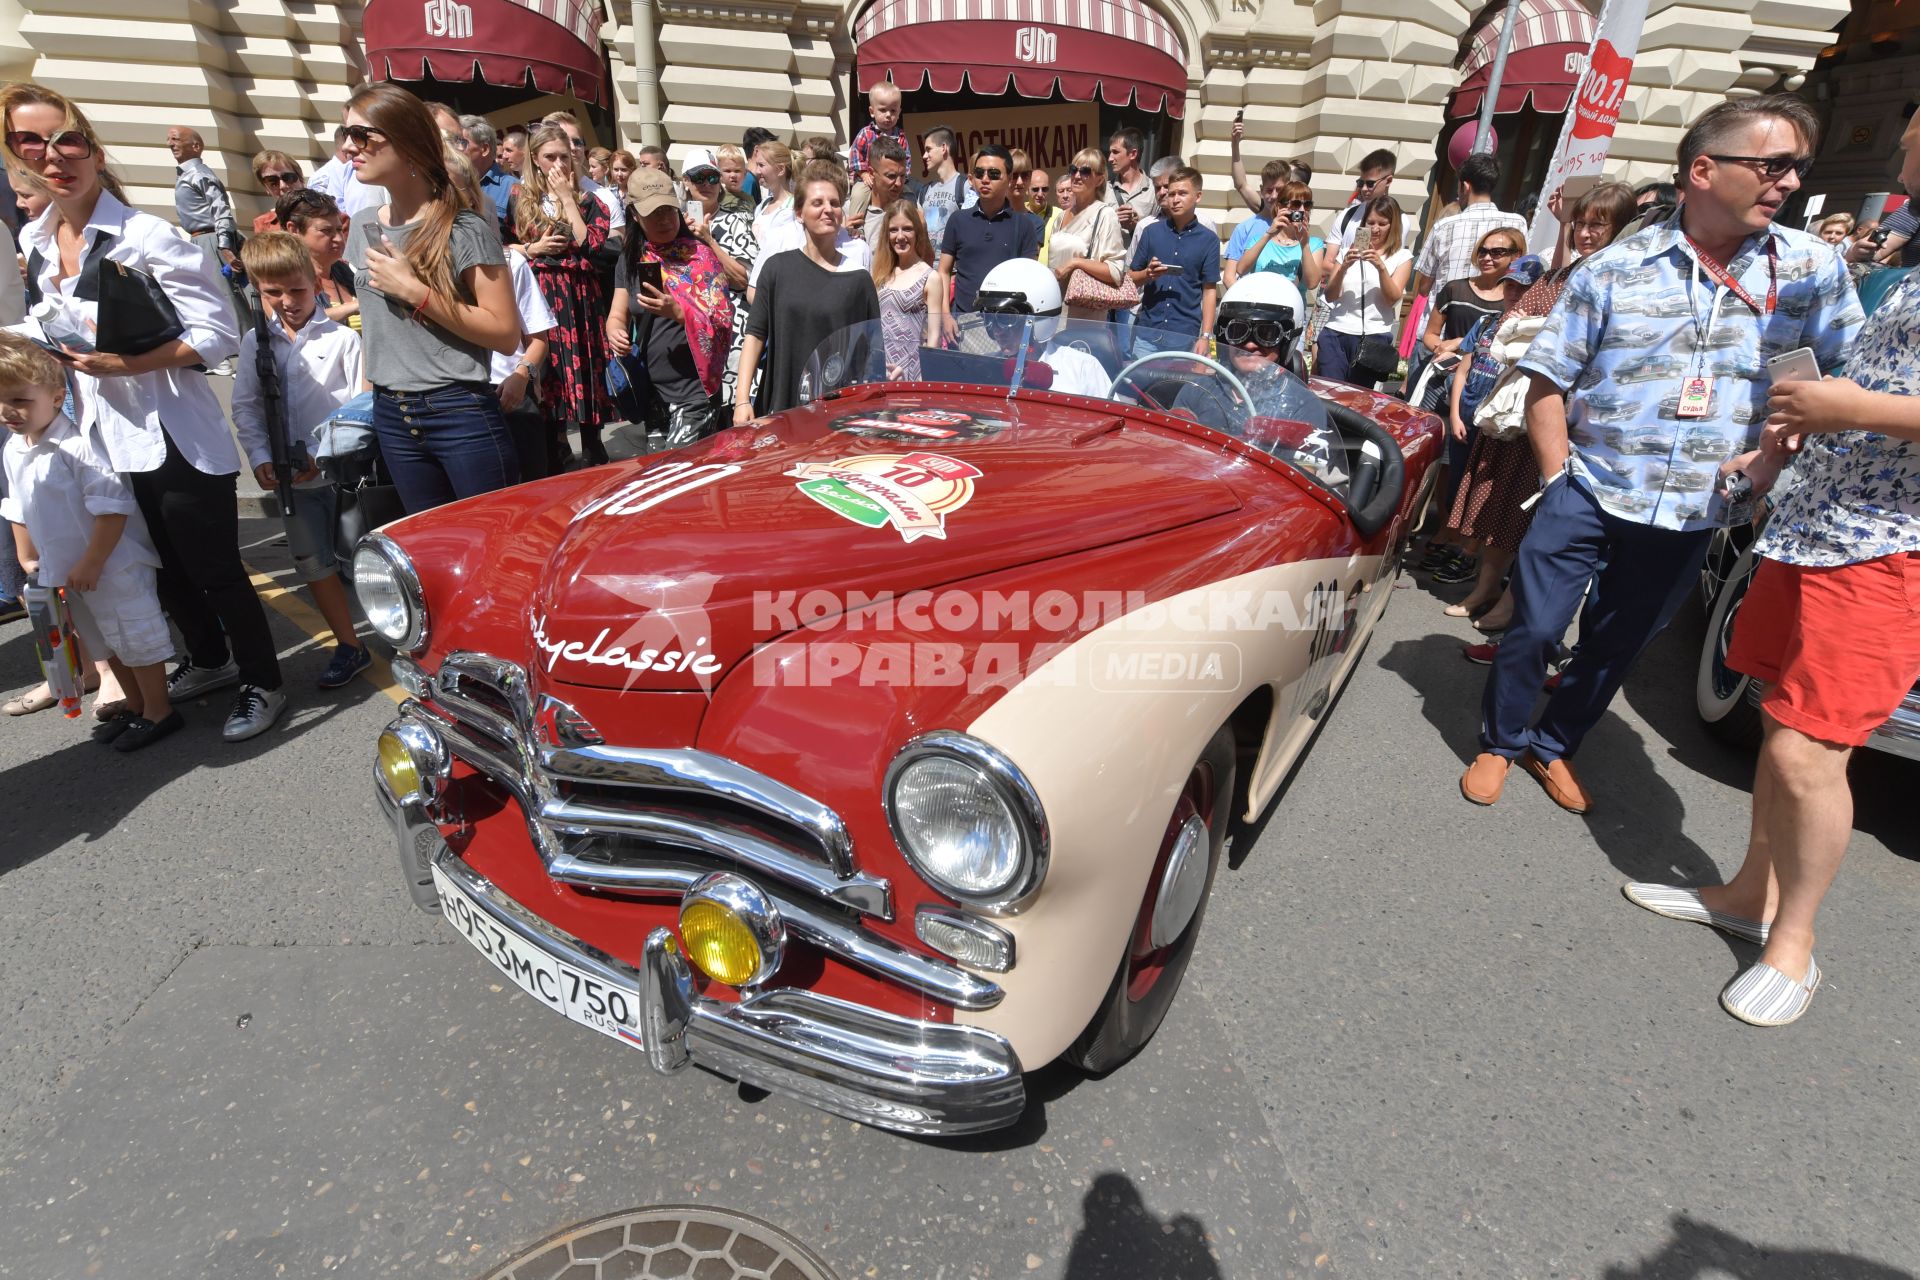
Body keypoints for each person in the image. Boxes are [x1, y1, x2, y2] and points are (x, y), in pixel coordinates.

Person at [1460, 94, 1865, 814]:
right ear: (1704, 170)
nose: (1791, 183)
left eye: (1797, 168)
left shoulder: (1813, 269)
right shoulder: (1615, 268)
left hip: (1698, 506)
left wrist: (1773, 461)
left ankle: (1554, 746)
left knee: (1618, 643)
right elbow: (1547, 380)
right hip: (1587, 485)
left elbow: (1839, 387)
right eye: (1773, 165)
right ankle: (1501, 741)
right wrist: (1557, 480)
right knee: (1536, 627)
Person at [1622, 107, 1920, 1030]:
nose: (1904, 141)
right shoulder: (1909, 262)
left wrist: (1852, 405)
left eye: (1914, 131)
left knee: (1806, 752)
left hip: (1886, 544)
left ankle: (1795, 943)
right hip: (1815, 523)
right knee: (1776, 724)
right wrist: (1778, 453)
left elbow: (1871, 401)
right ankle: (1751, 892)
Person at [8, 85, 292, 741]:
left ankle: (264, 683)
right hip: (101, 439)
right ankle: (212, 659)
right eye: (38, 156)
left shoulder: (147, 236)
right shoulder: (39, 241)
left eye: (69, 149)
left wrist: (129, 364)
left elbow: (220, 331)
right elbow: (47, 324)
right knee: (158, 570)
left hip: (174, 433)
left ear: (95, 154)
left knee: (215, 570)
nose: (57, 166)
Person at [1446, 183, 1636, 634]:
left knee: (1538, 518)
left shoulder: (1620, 279)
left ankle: (1515, 605)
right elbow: (1512, 326)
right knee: (1502, 507)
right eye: (1580, 223)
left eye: (1597, 224)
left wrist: (1538, 337)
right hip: (1523, 407)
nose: (1585, 233)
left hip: (1572, 420)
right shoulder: (1558, 276)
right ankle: (1486, 588)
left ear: (1622, 229)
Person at [341, 82, 520, 513]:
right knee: (429, 553)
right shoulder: (363, 223)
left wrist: (417, 292)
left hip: (458, 411)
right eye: (345, 135)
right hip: (391, 412)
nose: (349, 147)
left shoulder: (464, 228)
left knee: (488, 547)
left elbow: (505, 333)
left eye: (362, 135)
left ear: (406, 141)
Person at [0, 334, 178, 750]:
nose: (10, 411)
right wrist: (26, 555)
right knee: (102, 641)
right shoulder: (14, 447)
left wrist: (93, 562)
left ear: (57, 395)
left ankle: (158, 709)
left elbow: (112, 507)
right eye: (2, 400)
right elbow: (17, 506)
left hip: (111, 567)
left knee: (134, 635)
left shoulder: (77, 445)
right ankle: (134, 705)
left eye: (21, 400)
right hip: (68, 570)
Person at [230, 232, 368, 689]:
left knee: (363, 559)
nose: (287, 301)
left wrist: (320, 453)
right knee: (314, 565)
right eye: (273, 292)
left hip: (342, 473)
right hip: (293, 480)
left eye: (297, 289)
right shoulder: (256, 342)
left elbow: (360, 406)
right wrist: (260, 455)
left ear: (316, 282)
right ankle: (349, 644)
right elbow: (246, 405)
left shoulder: (344, 341)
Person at [1417, 224, 1527, 584]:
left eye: (1499, 252)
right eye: (1484, 250)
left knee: (1480, 481)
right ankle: (1449, 533)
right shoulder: (1466, 299)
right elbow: (1437, 338)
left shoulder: (1525, 322)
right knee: (1451, 469)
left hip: (1495, 416)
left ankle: (1467, 549)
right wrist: (1442, 348)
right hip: (1456, 398)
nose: (1489, 257)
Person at [734, 162, 879, 423]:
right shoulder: (777, 268)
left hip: (838, 415)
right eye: (818, 202)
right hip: (782, 409)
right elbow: (755, 335)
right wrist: (742, 399)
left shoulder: (859, 280)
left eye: (835, 203)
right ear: (799, 213)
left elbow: (872, 355)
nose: (828, 210)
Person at [607, 169, 733, 448]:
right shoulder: (629, 260)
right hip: (653, 395)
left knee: (679, 473)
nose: (664, 219)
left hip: (695, 393)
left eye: (668, 210)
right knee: (662, 480)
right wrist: (615, 331)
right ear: (635, 216)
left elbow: (723, 320)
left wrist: (677, 312)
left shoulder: (700, 256)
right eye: (653, 212)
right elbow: (617, 314)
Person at [515, 123, 613, 467]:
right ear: (535, 159)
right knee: (550, 367)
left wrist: (568, 199)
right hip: (540, 291)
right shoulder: (521, 197)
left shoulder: (589, 199)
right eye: (549, 157)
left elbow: (592, 244)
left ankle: (592, 443)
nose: (558, 163)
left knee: (584, 363)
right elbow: (500, 246)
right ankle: (555, 447)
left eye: (564, 156)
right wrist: (532, 247)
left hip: (579, 291)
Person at [1175, 274, 1335, 469]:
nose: (1250, 344)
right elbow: (1170, 451)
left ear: (1287, 340)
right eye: (1238, 331)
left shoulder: (1303, 405)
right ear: (1224, 337)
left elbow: (1304, 476)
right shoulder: (1198, 388)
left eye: (1267, 333)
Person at [679, 149, 756, 420]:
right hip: (688, 337)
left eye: (712, 177)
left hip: (731, 337)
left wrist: (710, 242)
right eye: (698, 177)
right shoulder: (673, 225)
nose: (706, 184)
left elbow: (745, 279)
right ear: (685, 181)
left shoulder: (735, 221)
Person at [973, 257, 1109, 398]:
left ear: (1039, 315)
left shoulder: (1081, 368)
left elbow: (1112, 416)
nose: (997, 331)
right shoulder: (987, 368)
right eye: (989, 318)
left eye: (1006, 318)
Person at [1316, 195, 1412, 388]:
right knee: (1329, 394)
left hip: (1373, 337)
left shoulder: (1402, 257)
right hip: (1337, 332)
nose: (1375, 229)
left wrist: (1381, 267)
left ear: (1393, 225)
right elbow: (1331, 295)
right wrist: (1343, 267)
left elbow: (1392, 298)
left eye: (1382, 224)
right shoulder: (1345, 253)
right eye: (1371, 222)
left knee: (1358, 401)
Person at [938, 143, 1039, 320]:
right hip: (962, 323)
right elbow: (944, 271)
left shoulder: (1024, 225)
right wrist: (945, 315)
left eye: (993, 174)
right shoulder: (957, 220)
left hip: (1007, 325)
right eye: (979, 173)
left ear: (1008, 178)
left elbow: (1029, 279)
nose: (985, 179)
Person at [1412, 154, 1526, 305]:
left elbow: (1424, 286)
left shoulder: (1444, 226)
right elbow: (1521, 273)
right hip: (1493, 318)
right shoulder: (1517, 223)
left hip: (1445, 318)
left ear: (1465, 186)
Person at [168, 124, 251, 328]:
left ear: (195, 146)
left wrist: (224, 247)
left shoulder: (200, 174)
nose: (170, 144)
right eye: (169, 139)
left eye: (176, 139)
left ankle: (240, 352)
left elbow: (222, 211)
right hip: (201, 240)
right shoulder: (189, 175)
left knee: (228, 298)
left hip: (212, 240)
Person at [1128, 166, 1218, 353]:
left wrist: (1206, 336)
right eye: (1172, 194)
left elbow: (1209, 290)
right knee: (1138, 383)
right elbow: (1130, 278)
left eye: (1182, 193)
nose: (1175, 200)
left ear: (1198, 196)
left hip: (1184, 336)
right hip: (1147, 334)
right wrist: (1147, 274)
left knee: (1177, 383)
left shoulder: (1209, 239)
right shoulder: (1151, 232)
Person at [1048, 147, 1128, 323]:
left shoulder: (1105, 215)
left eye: (1085, 171)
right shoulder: (1061, 217)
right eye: (1073, 170)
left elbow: (1115, 272)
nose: (1076, 176)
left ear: (1099, 179)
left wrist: (1075, 263)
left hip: (1084, 313)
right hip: (1054, 308)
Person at [873, 199, 942, 380]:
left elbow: (934, 337)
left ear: (917, 232)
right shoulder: (881, 273)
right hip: (881, 370)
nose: (900, 236)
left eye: (907, 229)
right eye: (894, 230)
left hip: (911, 373)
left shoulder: (930, 277)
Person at [276, 188, 357, 327]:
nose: (338, 238)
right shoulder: (280, 279)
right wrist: (354, 307)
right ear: (293, 230)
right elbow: (294, 323)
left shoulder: (346, 272)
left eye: (339, 229)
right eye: (326, 231)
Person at [1235, 180, 1323, 294]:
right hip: (1258, 307)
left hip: (1292, 309)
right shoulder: (1259, 240)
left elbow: (1312, 284)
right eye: (1296, 204)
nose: (1302, 210)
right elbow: (1241, 270)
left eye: (1307, 205)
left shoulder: (1314, 244)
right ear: (1280, 207)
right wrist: (1269, 234)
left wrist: (1304, 245)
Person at [918, 127, 975, 247]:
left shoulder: (965, 186)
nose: (924, 156)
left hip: (955, 264)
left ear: (943, 148)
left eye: (928, 150)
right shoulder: (924, 191)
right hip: (928, 264)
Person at [463, 116, 516, 239]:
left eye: (462, 143)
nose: (455, 149)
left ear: (485, 149)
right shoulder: (450, 189)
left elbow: (533, 245)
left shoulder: (512, 188)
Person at [1104, 127, 1156, 250]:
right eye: (1110, 153)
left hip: (1140, 265)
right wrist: (1112, 220)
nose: (1110, 158)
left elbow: (1161, 233)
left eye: (1115, 152)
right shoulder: (1105, 189)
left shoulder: (1154, 191)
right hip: (1108, 264)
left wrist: (1138, 224)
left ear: (1133, 154)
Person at [860, 137, 911, 255]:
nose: (898, 183)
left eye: (902, 176)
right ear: (872, 173)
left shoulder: (913, 207)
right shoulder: (851, 212)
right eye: (891, 176)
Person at [850, 81, 906, 187]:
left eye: (893, 111)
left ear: (899, 112)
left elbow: (906, 158)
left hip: (894, 180)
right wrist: (863, 173)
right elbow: (855, 155)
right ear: (872, 111)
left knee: (909, 196)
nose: (888, 115)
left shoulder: (900, 136)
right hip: (868, 180)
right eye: (883, 110)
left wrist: (903, 176)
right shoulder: (866, 133)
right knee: (859, 195)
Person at [751, 138, 797, 248]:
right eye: (757, 165)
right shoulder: (762, 206)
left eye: (761, 165)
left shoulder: (794, 208)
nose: (757, 171)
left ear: (781, 169)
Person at [248, 150, 303, 233]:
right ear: (266, 188)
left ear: (301, 179)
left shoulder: (323, 214)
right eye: (273, 182)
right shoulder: (263, 224)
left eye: (288, 178)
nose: (283, 186)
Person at [715, 144, 754, 213]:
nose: (733, 175)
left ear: (744, 174)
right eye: (728, 171)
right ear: (720, 175)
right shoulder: (717, 197)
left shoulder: (750, 199)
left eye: (737, 171)